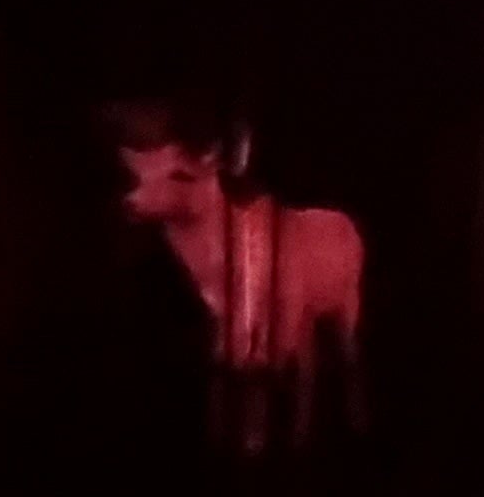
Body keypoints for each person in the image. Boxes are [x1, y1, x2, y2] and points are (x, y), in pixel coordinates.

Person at [107, 100, 367, 471]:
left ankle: (296, 444)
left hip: (282, 271)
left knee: (304, 350)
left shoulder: (268, 231)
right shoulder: (161, 257)